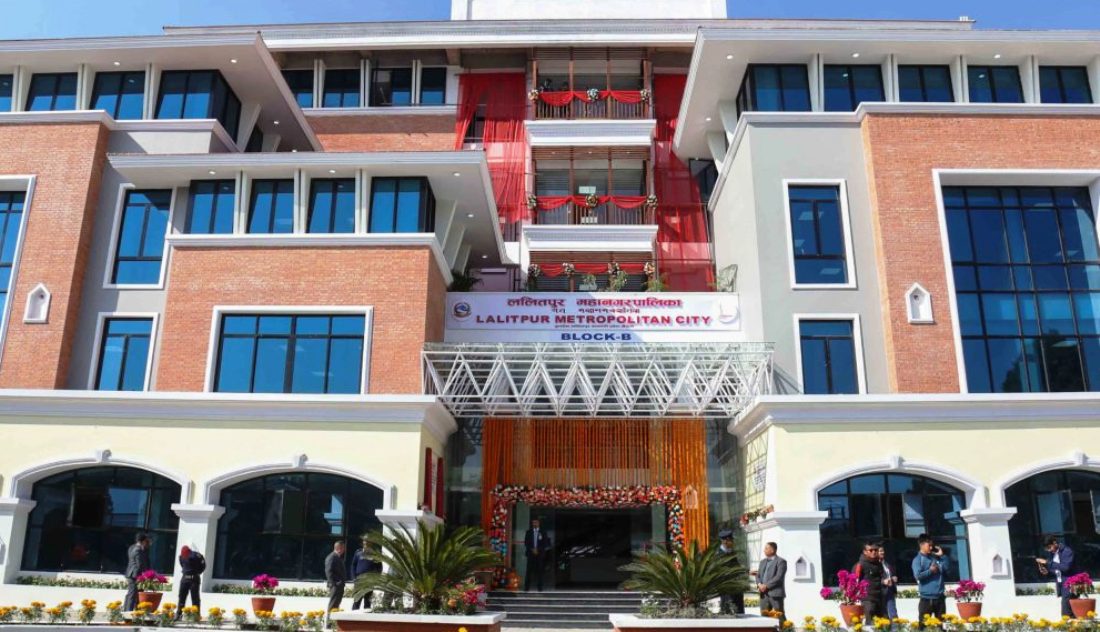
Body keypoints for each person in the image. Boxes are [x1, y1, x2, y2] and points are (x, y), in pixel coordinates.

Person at [912, 534, 950, 628]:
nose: (931, 547)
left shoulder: (935, 557)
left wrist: (943, 556)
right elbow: (917, 576)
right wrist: (930, 571)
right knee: (923, 627)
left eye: (931, 545)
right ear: (921, 545)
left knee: (941, 627)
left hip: (940, 598)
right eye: (929, 545)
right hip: (926, 600)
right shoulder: (917, 560)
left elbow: (946, 569)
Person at [1038, 536, 1077, 618]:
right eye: (1047, 549)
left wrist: (1047, 562)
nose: (1049, 550)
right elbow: (1057, 569)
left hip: (1069, 583)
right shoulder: (1053, 553)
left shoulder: (1067, 551)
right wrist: (1047, 571)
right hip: (1061, 584)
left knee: (1066, 612)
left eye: (1049, 547)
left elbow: (1065, 567)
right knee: (1069, 611)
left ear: (1055, 543)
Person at [854, 541, 886, 622]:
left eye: (875, 550)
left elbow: (882, 577)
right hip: (868, 599)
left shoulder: (878, 563)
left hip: (879, 598)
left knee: (884, 623)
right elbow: (854, 581)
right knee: (870, 624)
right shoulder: (860, 564)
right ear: (865, 552)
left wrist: (885, 581)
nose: (874, 552)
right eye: (871, 550)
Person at [757, 542, 787, 623]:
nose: (764, 550)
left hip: (775, 594)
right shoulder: (762, 562)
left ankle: (786, 629)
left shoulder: (781, 561)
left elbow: (779, 577)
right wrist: (759, 585)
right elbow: (758, 575)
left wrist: (766, 586)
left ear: (772, 550)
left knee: (780, 616)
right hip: (763, 594)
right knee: (764, 617)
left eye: (766, 548)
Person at [717, 529, 745, 615]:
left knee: (739, 609)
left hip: (735, 586)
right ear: (725, 541)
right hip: (726, 587)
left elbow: (736, 567)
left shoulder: (731, 552)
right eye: (731, 540)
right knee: (727, 610)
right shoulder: (719, 554)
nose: (732, 542)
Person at [175, 545, 206, 618]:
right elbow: (182, 565)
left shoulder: (197, 556)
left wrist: (197, 572)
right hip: (185, 578)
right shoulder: (181, 557)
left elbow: (203, 565)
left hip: (194, 579)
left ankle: (196, 615)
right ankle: (179, 614)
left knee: (195, 598)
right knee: (181, 597)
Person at [351, 537, 381, 610]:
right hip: (359, 580)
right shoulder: (358, 553)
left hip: (369, 580)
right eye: (365, 542)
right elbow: (353, 565)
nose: (366, 543)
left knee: (368, 601)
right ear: (363, 543)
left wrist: (376, 578)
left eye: (368, 542)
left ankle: (366, 615)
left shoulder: (375, 554)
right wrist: (354, 577)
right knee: (357, 600)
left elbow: (379, 567)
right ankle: (354, 615)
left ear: (371, 543)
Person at [124, 533, 152, 611]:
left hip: (132, 573)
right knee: (132, 594)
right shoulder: (138, 549)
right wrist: (145, 575)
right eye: (146, 541)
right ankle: (128, 612)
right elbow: (139, 564)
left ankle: (132, 611)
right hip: (135, 574)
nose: (147, 542)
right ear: (143, 541)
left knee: (133, 594)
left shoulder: (132, 547)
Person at [523, 518, 551, 592]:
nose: (534, 524)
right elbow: (526, 543)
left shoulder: (543, 532)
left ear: (539, 523)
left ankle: (540, 587)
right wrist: (532, 549)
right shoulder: (528, 532)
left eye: (536, 522)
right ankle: (526, 587)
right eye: (533, 522)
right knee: (529, 570)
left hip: (540, 554)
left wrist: (538, 549)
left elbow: (545, 543)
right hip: (530, 554)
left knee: (540, 571)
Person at [325, 541, 347, 623]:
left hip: (339, 585)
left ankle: (334, 622)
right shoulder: (332, 557)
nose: (344, 549)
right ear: (339, 548)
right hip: (335, 585)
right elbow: (328, 571)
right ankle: (329, 623)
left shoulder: (338, 557)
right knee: (333, 604)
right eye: (343, 547)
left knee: (336, 604)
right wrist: (333, 584)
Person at [879, 545, 899, 621]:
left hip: (890, 590)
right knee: (884, 615)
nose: (882, 552)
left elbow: (890, 575)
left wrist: (893, 578)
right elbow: (872, 579)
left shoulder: (886, 563)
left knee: (893, 613)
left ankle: (895, 626)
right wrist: (883, 581)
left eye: (883, 551)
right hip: (881, 592)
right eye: (880, 551)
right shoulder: (874, 565)